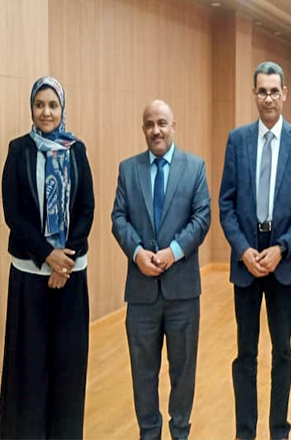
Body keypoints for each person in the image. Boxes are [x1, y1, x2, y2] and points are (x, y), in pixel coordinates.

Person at [219, 61, 291, 440]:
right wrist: (244, 250)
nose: (269, 98)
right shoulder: (237, 140)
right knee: (246, 353)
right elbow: (226, 204)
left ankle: (279, 431)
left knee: (282, 351)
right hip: (246, 260)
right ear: (254, 94)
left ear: (284, 94)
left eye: (275, 91)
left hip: (282, 260)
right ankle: (245, 432)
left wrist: (282, 248)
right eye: (263, 91)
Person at [0, 76, 95, 439]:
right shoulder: (18, 150)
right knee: (29, 369)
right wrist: (47, 255)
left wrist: (63, 261)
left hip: (70, 277)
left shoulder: (76, 151)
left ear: (62, 108)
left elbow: (86, 208)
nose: (46, 112)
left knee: (67, 368)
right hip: (29, 275)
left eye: (53, 105)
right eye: (39, 104)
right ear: (32, 108)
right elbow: (13, 213)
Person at [111, 99, 211, 440]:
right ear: (143, 129)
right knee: (143, 374)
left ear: (173, 127)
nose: (156, 130)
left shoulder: (194, 168)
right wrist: (137, 252)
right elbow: (118, 218)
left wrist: (173, 252)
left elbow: (202, 218)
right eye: (150, 124)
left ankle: (180, 432)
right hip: (141, 293)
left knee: (183, 373)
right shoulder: (128, 170)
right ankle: (149, 433)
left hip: (183, 292)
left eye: (162, 123)